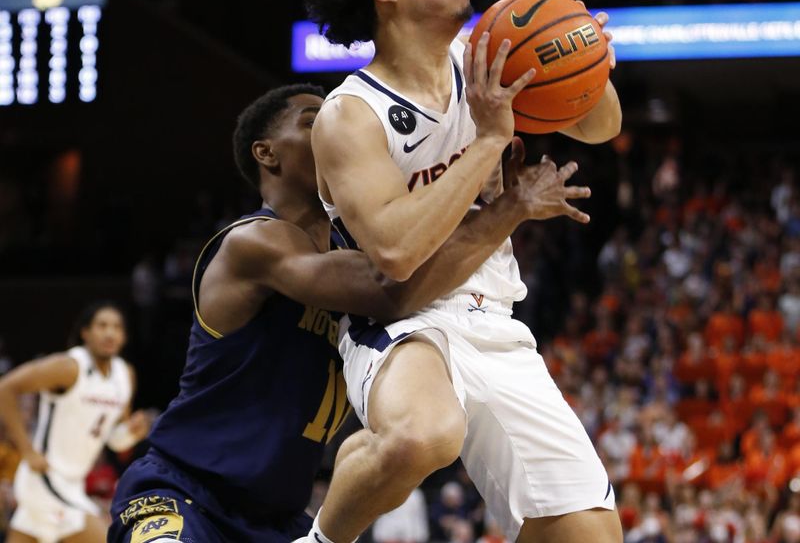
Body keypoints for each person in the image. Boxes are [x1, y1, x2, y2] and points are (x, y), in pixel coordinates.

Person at [107, 83, 593, 542]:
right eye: (312, 121)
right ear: (266, 153)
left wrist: (485, 187)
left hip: (274, 520)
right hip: (184, 491)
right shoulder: (255, 241)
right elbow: (391, 292)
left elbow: (429, 271)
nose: (330, 129)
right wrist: (511, 207)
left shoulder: (357, 249)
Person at [302, 0, 624, 541]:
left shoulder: (487, 61)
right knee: (425, 433)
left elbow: (602, 127)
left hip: (495, 319)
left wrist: (588, 60)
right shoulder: (351, 115)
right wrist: (487, 146)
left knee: (589, 534)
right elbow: (396, 254)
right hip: (402, 322)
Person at [0, 302, 150, 543]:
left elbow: (115, 441)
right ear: (86, 333)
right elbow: (6, 388)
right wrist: (26, 450)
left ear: (124, 337)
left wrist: (132, 433)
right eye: (102, 325)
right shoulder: (68, 366)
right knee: (109, 538)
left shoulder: (125, 376)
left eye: (117, 327)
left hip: (73, 482)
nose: (110, 332)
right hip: (45, 479)